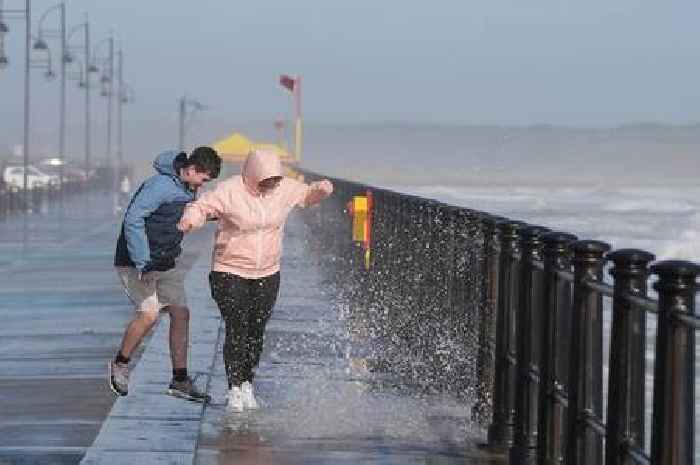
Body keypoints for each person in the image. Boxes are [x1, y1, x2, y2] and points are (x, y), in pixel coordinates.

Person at [177, 148, 333, 411]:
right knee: (237, 328)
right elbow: (201, 206)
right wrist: (191, 220)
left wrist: (322, 189)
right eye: (267, 180)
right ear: (253, 175)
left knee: (256, 331)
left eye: (275, 179)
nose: (272, 185)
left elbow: (305, 196)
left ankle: (248, 382)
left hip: (267, 273)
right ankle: (234, 388)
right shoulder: (230, 190)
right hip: (229, 271)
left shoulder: (283, 188)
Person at [109, 146, 222, 402]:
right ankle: (121, 364)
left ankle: (180, 380)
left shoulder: (188, 187)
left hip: (165, 262)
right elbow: (133, 220)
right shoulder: (160, 186)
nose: (203, 185)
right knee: (149, 315)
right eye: (203, 179)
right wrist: (143, 262)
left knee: (181, 313)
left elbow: (187, 214)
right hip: (137, 262)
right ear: (192, 169)